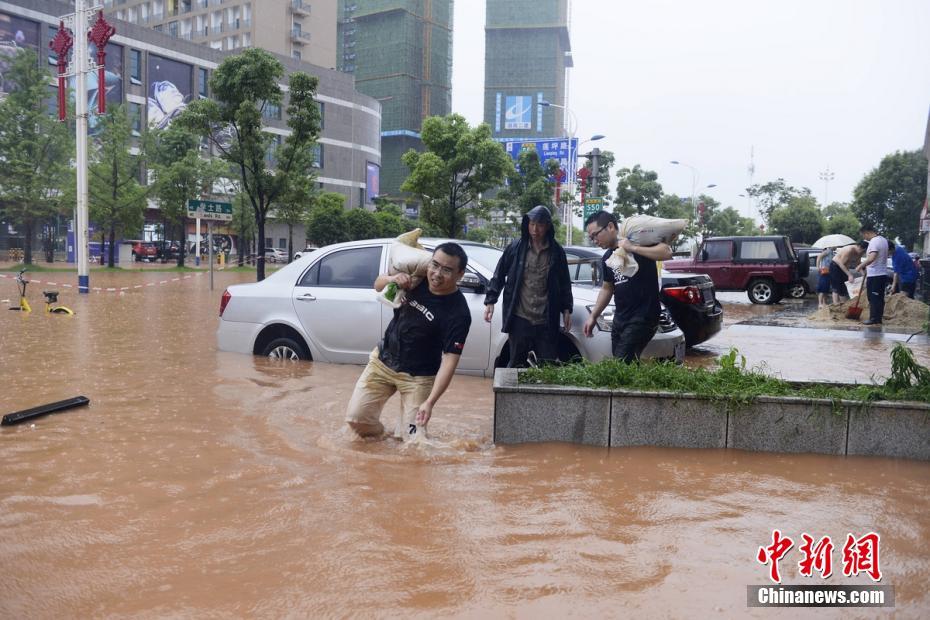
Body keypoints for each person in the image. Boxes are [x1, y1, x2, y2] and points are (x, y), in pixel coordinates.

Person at [345, 243, 472, 438]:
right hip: (383, 361)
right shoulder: (416, 277)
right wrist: (393, 278)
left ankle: (402, 435)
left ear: (460, 274)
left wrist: (430, 402)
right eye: (435, 265)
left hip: (419, 378)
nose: (437, 274)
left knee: (412, 441)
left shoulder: (458, 313)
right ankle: (383, 438)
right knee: (356, 420)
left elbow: (449, 361)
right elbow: (378, 284)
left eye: (447, 270)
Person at [483, 205, 573, 367]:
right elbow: (499, 273)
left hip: (546, 318)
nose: (535, 229)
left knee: (548, 365)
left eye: (539, 225)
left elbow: (564, 282)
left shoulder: (557, 252)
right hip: (520, 317)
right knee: (515, 363)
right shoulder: (516, 247)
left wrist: (567, 309)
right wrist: (491, 301)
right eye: (531, 224)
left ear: (547, 226)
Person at [582, 210, 672, 362]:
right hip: (621, 318)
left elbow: (666, 252)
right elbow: (607, 288)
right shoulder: (607, 257)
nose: (594, 240)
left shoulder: (637, 242)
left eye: (595, 235)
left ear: (610, 227)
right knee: (625, 366)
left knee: (621, 363)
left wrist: (632, 248)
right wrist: (593, 316)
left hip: (644, 316)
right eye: (591, 238)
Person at [858, 225, 889, 325]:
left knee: (873, 297)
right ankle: (878, 318)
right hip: (881, 273)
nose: (864, 238)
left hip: (875, 275)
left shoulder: (874, 241)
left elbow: (872, 257)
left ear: (867, 232)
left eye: (863, 235)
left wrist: (860, 266)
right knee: (879, 297)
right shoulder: (884, 240)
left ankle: (874, 319)